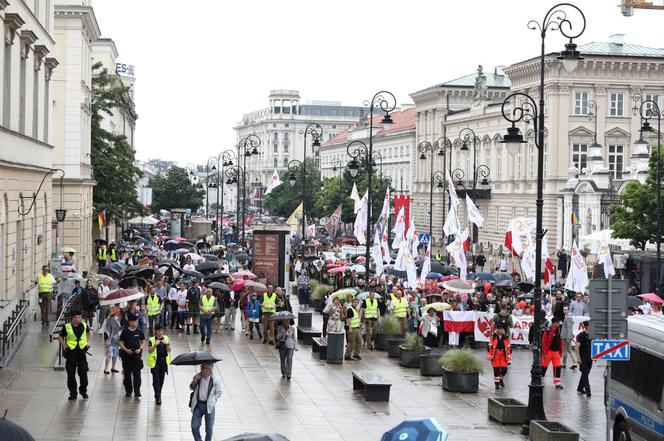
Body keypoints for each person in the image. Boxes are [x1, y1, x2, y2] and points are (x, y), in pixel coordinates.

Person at [58, 310, 92, 400]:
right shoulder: (67, 327)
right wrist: (64, 345)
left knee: (83, 374)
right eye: (78, 317)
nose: (80, 319)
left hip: (81, 354)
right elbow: (60, 336)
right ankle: (73, 393)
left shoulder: (84, 325)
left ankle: (83, 391)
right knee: (71, 376)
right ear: (73, 318)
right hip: (71, 354)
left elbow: (90, 333)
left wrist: (88, 342)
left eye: (80, 317)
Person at [189, 362, 223, 441]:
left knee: (209, 429)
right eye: (201, 367)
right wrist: (194, 382)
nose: (201, 369)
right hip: (198, 405)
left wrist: (213, 400)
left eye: (203, 368)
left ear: (209, 369)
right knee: (194, 426)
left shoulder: (215, 380)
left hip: (209, 406)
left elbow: (219, 392)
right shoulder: (198, 377)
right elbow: (191, 387)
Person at [119, 314, 146, 398]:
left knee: (137, 374)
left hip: (136, 356)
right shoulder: (125, 331)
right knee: (127, 375)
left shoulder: (139, 331)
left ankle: (137, 391)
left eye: (137, 321)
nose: (136, 323)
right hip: (126, 356)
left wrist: (140, 348)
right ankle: (128, 391)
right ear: (130, 322)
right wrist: (126, 350)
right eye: (135, 321)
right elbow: (120, 342)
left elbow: (143, 341)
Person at [147, 324, 171, 405]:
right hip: (155, 362)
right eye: (158, 330)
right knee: (156, 380)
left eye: (161, 330)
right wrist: (155, 345)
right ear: (155, 331)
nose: (160, 332)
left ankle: (158, 394)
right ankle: (158, 397)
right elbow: (150, 350)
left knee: (161, 380)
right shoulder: (152, 339)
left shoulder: (166, 338)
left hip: (164, 362)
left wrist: (166, 344)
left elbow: (169, 350)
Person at [541, 317, 564, 389]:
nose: (558, 324)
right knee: (543, 366)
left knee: (557, 367)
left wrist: (560, 351)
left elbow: (560, 341)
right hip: (548, 352)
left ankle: (557, 383)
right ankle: (539, 380)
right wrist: (544, 353)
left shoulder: (559, 330)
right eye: (557, 323)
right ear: (554, 323)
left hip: (556, 352)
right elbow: (544, 342)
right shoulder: (547, 331)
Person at [575, 320, 592, 397]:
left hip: (590, 357)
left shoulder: (592, 335)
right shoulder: (581, 335)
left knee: (586, 373)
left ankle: (580, 388)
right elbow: (577, 347)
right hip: (583, 356)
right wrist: (578, 357)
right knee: (585, 372)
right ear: (586, 326)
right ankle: (588, 390)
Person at [103, 308, 121, 374]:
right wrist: (106, 340)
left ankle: (113, 367)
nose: (118, 313)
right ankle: (106, 368)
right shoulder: (109, 320)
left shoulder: (116, 320)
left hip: (116, 340)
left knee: (115, 354)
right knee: (109, 354)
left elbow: (119, 328)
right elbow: (106, 331)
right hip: (110, 340)